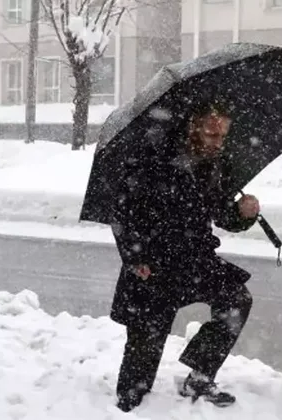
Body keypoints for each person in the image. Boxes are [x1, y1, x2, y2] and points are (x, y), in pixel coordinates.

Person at [108, 100, 260, 412]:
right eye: (212, 135)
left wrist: (243, 214)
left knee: (236, 299)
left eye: (222, 137)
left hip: (194, 263)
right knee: (138, 373)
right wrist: (136, 259)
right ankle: (128, 404)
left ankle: (200, 376)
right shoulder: (152, 161)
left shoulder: (212, 165)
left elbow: (222, 215)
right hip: (153, 267)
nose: (219, 143)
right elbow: (122, 213)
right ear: (192, 129)